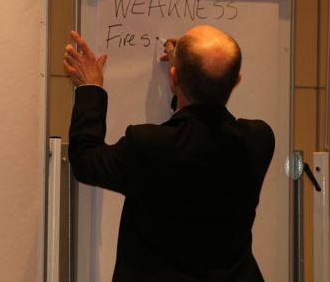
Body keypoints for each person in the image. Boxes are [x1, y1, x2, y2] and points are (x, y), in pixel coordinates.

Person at [63, 25, 274, 282]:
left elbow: (86, 160)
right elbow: (201, 130)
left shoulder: (147, 145)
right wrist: (185, 81)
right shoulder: (258, 140)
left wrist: (91, 87)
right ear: (237, 80)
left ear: (173, 78)